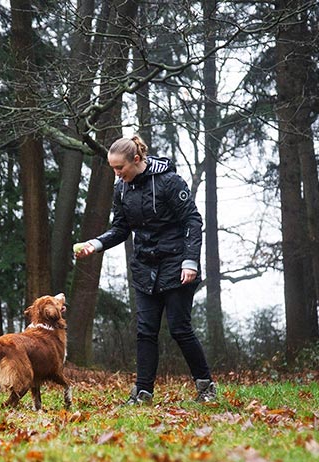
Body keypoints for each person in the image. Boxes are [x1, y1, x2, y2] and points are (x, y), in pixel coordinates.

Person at [74, 135, 216, 405]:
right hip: (144, 268)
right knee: (145, 331)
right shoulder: (122, 189)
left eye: (120, 169)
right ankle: (142, 392)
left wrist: (190, 261)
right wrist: (96, 243)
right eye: (113, 169)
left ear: (136, 160)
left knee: (179, 329)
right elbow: (121, 229)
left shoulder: (169, 182)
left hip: (176, 265)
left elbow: (192, 220)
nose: (116, 174)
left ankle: (205, 386)